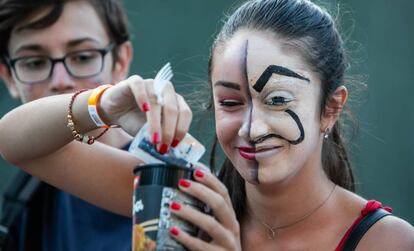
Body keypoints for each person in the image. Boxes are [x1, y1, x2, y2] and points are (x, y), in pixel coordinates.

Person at [1, 0, 414, 250]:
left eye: (278, 100)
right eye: (230, 102)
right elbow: (14, 141)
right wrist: (106, 102)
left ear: (330, 108)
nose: (251, 128)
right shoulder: (186, 200)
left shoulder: (387, 242)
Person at [0, 0, 135, 250]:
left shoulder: (162, 177)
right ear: (8, 76)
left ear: (121, 61)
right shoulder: (23, 195)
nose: (60, 81)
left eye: (82, 57)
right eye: (34, 63)